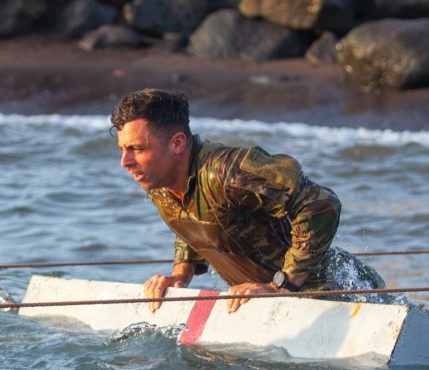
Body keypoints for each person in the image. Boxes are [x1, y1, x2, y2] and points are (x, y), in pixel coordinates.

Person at [111, 88, 386, 314]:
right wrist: (181, 274)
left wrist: (281, 287)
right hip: (276, 307)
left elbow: (320, 204)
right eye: (123, 149)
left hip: (349, 298)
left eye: (137, 149)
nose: (125, 162)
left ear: (178, 143)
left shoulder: (227, 172)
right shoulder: (159, 182)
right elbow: (193, 218)